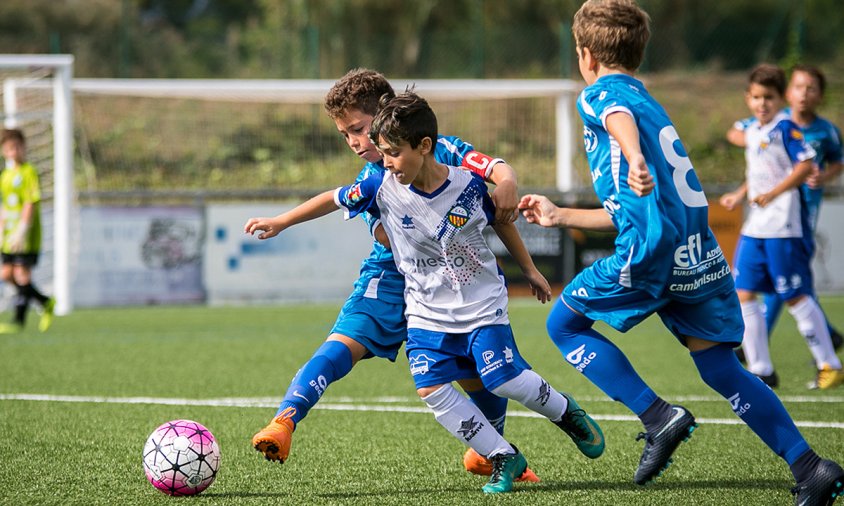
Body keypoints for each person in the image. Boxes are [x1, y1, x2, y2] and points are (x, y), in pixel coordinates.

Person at [518, 1, 844, 503]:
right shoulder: (649, 101)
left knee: (563, 324)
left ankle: (658, 416)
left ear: (586, 55)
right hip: (696, 250)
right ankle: (810, 467)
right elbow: (635, 203)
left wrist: (631, 155)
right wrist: (562, 215)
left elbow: (614, 115)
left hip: (652, 253)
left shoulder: (602, 94)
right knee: (718, 366)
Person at [246, 69, 540, 481]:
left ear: (386, 115)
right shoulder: (372, 178)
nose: (352, 142)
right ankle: (283, 423)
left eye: (358, 130)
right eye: (344, 134)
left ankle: (491, 449)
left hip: (454, 285)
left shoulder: (445, 150)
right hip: (390, 276)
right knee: (340, 345)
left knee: (480, 376)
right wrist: (280, 221)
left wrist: (507, 180)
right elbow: (335, 200)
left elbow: (491, 167)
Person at [334, 91, 604, 494]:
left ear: (424, 147)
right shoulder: (380, 183)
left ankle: (565, 411)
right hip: (427, 311)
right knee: (430, 388)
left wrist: (529, 269)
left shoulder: (467, 186)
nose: (384, 161)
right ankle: (503, 457)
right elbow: (331, 198)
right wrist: (281, 222)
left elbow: (502, 221)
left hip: (480, 304)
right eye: (382, 152)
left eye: (391, 152)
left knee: (502, 380)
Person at [720, 64, 843, 391]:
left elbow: (806, 165)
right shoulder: (756, 131)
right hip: (756, 225)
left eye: (769, 98)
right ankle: (761, 369)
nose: (763, 104)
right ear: (748, 99)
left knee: (794, 295)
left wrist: (774, 193)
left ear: (781, 99)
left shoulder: (786, 128)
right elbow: (761, 172)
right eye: (757, 97)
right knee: (743, 291)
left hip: (785, 225)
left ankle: (830, 364)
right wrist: (740, 193)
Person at [0, 128, 55, 333]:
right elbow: (5, 206)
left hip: (26, 235)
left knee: (22, 274)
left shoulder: (28, 171)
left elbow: (30, 202)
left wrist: (22, 230)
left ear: (23, 147)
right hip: (8, 235)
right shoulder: (5, 176)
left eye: (17, 147)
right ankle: (44, 301)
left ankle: (18, 320)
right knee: (6, 274)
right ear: (4, 151)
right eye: (9, 148)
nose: (14, 152)